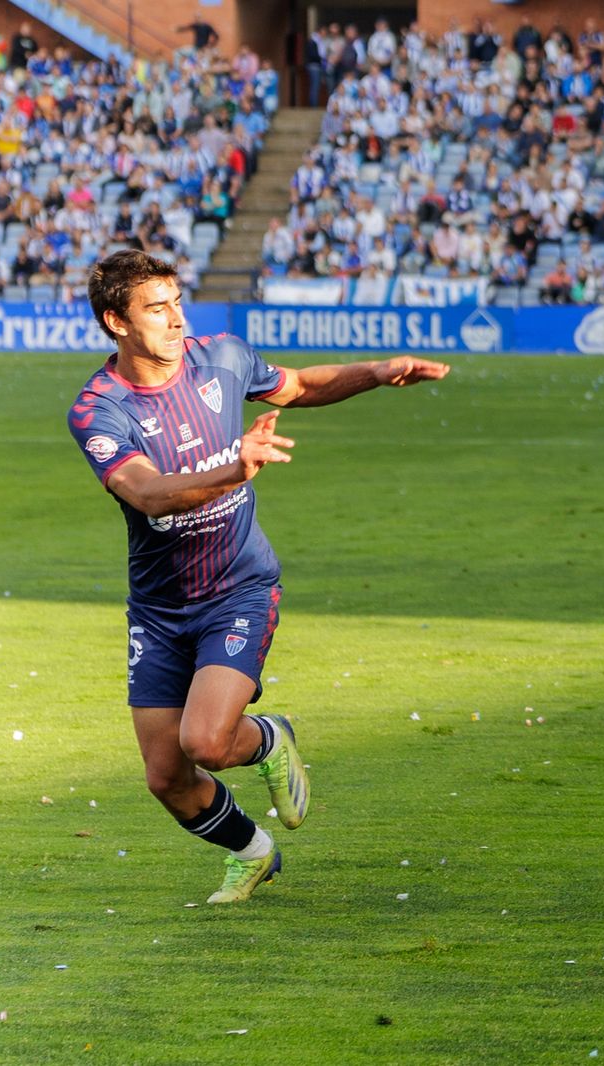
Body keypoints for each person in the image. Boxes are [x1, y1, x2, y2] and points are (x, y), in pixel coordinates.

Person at [66, 251, 449, 904]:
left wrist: (378, 373)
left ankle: (269, 737)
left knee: (207, 742)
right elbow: (149, 494)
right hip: (159, 610)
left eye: (177, 301)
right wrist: (233, 470)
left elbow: (300, 386)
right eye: (156, 309)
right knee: (166, 775)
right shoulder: (100, 409)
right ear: (116, 322)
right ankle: (253, 853)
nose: (176, 318)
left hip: (238, 589)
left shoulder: (223, 358)